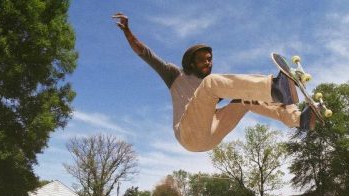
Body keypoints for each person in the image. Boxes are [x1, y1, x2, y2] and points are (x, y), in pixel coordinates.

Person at [112, 13, 316, 153]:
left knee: (243, 99)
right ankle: (275, 88)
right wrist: (128, 32)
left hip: (211, 135)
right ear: (191, 62)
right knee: (212, 83)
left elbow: (245, 94)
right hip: (188, 134)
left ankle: (298, 119)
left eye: (210, 59)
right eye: (203, 59)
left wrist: (286, 88)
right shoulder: (174, 74)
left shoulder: (214, 88)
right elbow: (146, 54)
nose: (208, 63)